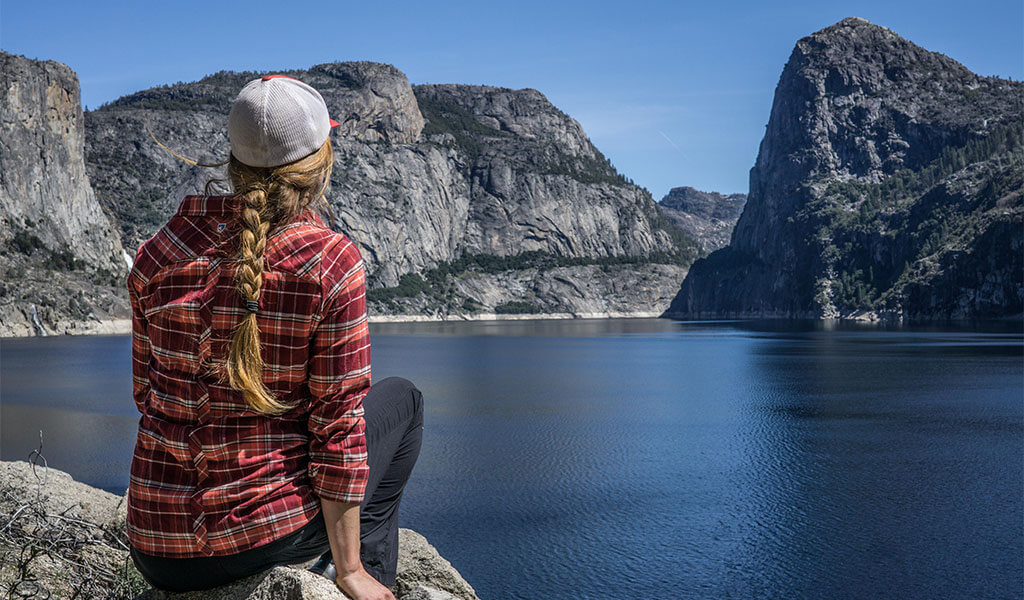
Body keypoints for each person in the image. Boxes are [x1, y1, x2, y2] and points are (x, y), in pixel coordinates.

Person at [125, 74, 423, 600]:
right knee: (403, 401)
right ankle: (357, 571)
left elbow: (146, 396)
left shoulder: (156, 253)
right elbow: (338, 431)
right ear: (318, 165)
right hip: (264, 537)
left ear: (233, 162)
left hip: (156, 548)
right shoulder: (331, 263)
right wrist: (351, 570)